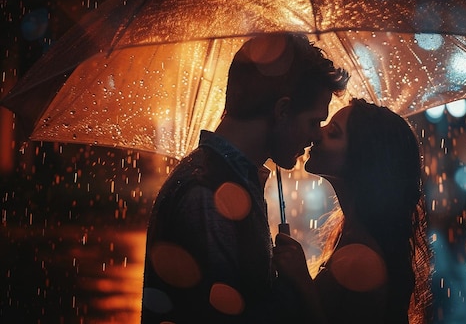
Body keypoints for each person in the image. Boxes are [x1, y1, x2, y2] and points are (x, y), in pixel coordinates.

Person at [141, 33, 349, 323]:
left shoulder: (232, 179)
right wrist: (293, 291)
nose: (316, 135)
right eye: (314, 121)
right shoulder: (208, 193)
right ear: (283, 110)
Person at [273, 98, 432, 324]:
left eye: (333, 133)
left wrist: (302, 282)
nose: (317, 134)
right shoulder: (352, 233)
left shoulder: (362, 259)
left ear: (363, 159)